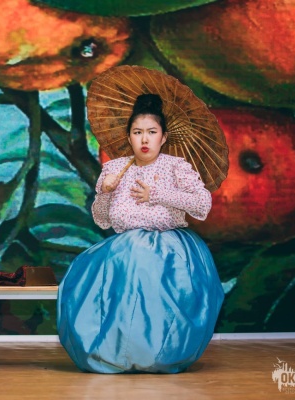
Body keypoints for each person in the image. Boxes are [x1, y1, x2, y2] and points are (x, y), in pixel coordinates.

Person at [56, 94, 224, 374]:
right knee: (90, 279)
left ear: (163, 137)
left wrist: (157, 194)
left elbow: (202, 205)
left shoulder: (175, 167)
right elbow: (102, 220)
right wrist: (105, 193)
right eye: (137, 132)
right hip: (124, 246)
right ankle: (116, 353)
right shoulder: (114, 168)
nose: (144, 139)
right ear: (129, 137)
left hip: (168, 246)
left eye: (152, 132)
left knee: (145, 279)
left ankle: (155, 355)